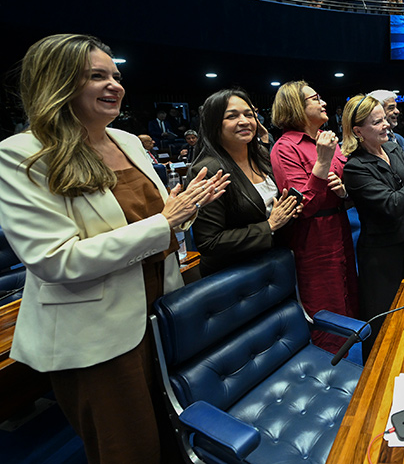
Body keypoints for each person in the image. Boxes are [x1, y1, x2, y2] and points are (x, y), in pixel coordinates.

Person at [0, 34, 229, 463]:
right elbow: (55, 260)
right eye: (96, 76)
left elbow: (161, 220)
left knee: (176, 435)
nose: (114, 85)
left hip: (161, 313)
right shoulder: (22, 154)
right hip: (96, 337)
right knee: (129, 449)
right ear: (57, 82)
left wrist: (187, 209)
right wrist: (166, 220)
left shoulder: (126, 141)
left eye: (116, 76)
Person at [341, 94, 404, 360]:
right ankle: (375, 373)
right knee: (381, 322)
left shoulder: (393, 148)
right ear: (358, 131)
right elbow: (393, 204)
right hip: (380, 255)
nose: (386, 124)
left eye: (384, 118)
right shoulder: (355, 168)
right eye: (377, 122)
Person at [270, 81, 358, 353]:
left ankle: (351, 364)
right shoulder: (285, 147)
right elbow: (302, 206)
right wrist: (322, 162)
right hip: (313, 237)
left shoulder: (326, 138)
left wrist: (344, 191)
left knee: (348, 298)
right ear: (296, 106)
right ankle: (330, 369)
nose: (324, 103)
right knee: (325, 306)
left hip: (340, 227)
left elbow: (347, 184)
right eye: (315, 98)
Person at [191, 89, 302, 277]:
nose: (244, 121)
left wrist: (286, 211)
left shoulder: (261, 156)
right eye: (232, 116)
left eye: (249, 114)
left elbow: (264, 210)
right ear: (214, 123)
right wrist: (269, 226)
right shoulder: (207, 171)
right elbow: (209, 242)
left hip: (274, 264)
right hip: (236, 276)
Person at [368, 89, 404, 157]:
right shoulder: (373, 144)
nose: (397, 111)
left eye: (396, 107)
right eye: (391, 108)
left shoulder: (399, 139)